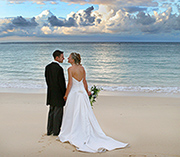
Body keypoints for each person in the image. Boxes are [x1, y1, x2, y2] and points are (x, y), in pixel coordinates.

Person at [57, 52, 128, 153]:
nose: (67, 59)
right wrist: (87, 92)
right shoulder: (82, 68)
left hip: (74, 93)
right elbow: (84, 82)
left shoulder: (70, 69)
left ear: (73, 59)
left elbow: (70, 84)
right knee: (84, 112)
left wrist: (66, 95)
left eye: (69, 57)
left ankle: (71, 131)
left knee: (72, 112)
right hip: (82, 94)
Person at [45, 50, 66, 136]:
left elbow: (47, 80)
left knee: (51, 112)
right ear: (57, 58)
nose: (63, 58)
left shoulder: (48, 67)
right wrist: (65, 94)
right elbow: (62, 83)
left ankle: (49, 130)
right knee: (58, 113)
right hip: (58, 94)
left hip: (50, 92)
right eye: (62, 57)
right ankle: (56, 131)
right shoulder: (59, 69)